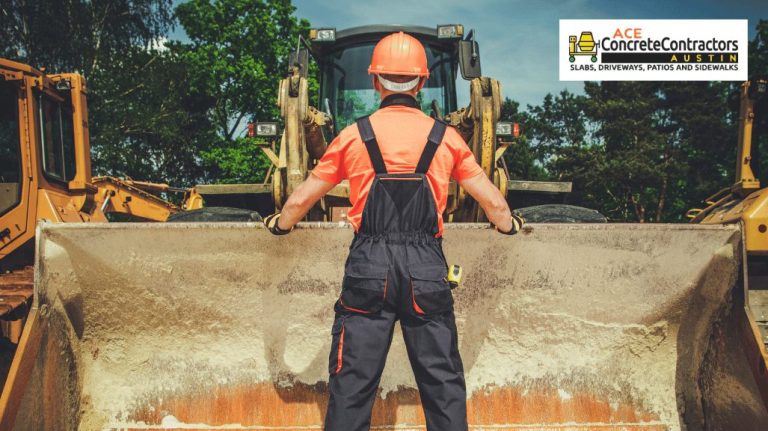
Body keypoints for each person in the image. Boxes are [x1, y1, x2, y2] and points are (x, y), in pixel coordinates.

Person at [263, 31, 524, 431]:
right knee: (442, 384)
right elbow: (495, 206)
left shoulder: (352, 137)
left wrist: (279, 226)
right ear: (421, 84)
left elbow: (298, 201)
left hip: (368, 267)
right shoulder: (447, 139)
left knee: (352, 385)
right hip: (426, 271)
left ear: (374, 82)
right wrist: (509, 227)